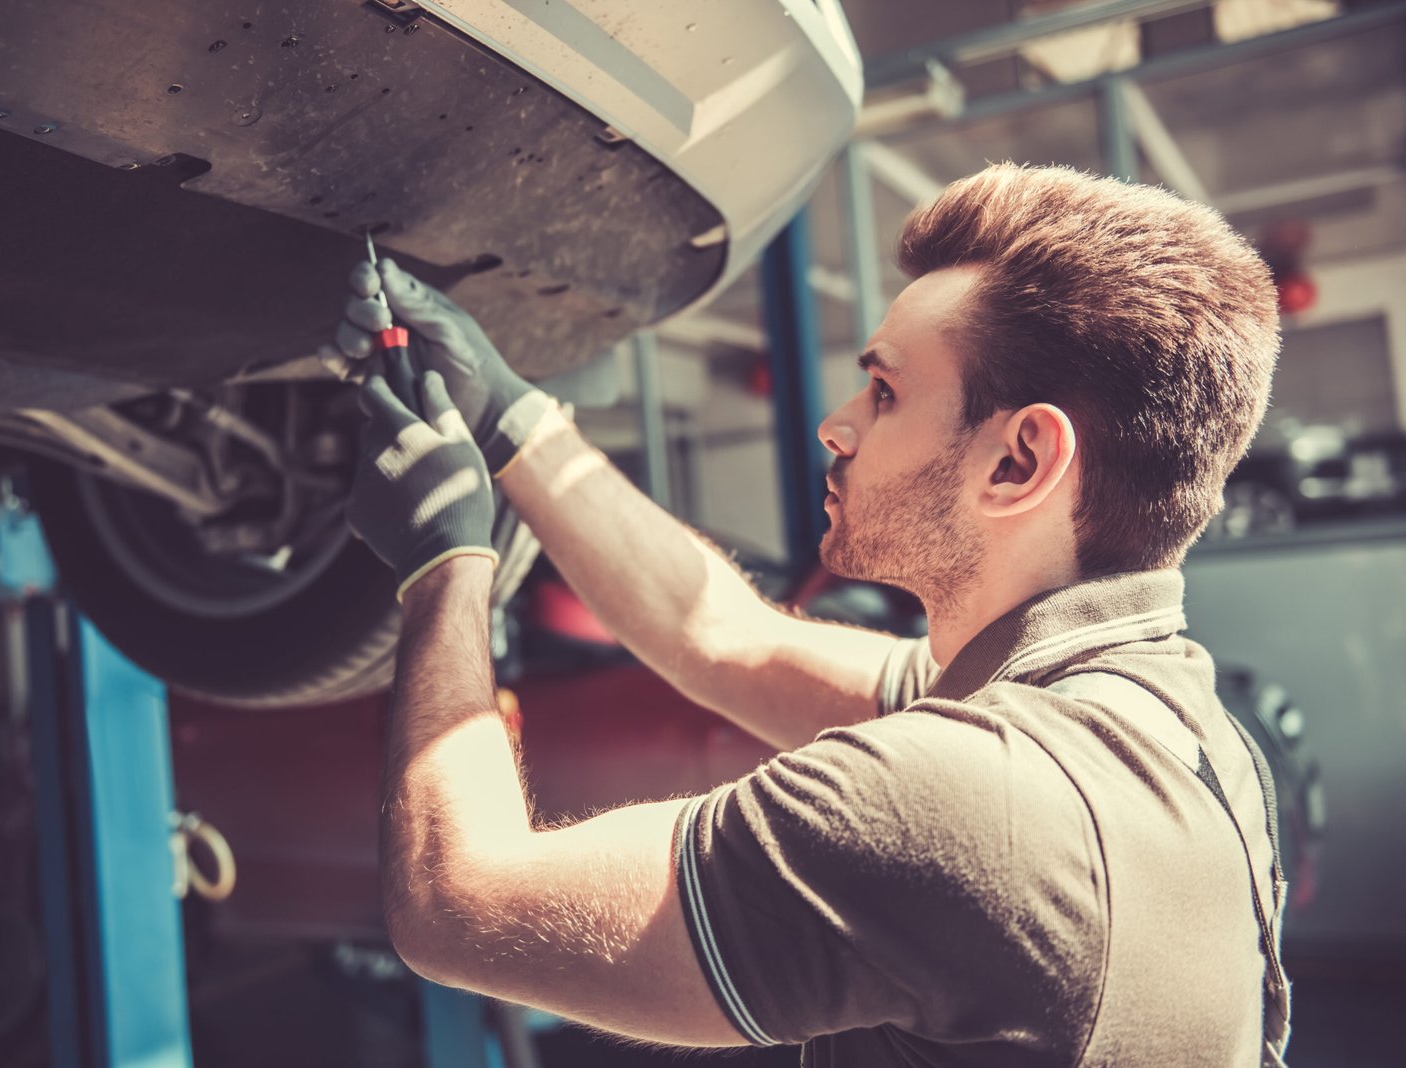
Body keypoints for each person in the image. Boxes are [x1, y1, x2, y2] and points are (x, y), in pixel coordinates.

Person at [336, 162, 1291, 1066]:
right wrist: (513, 420)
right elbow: (722, 639)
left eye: (884, 392)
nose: (837, 424)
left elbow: (461, 906)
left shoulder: (973, 810)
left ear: (1018, 463)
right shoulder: (1172, 732)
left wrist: (444, 564)